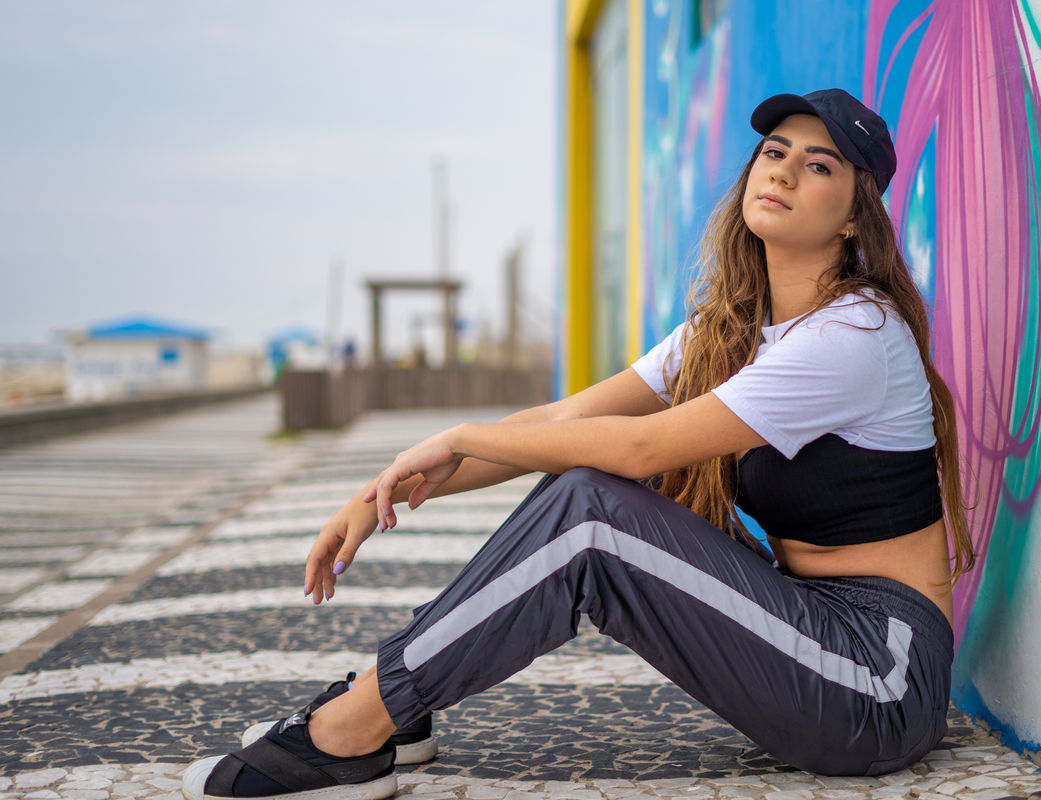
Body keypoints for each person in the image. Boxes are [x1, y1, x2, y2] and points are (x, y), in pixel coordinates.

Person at [182, 88, 973, 800]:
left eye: (819, 165)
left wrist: (457, 434)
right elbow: (562, 424)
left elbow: (638, 449)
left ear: (854, 215)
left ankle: (356, 727)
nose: (785, 172)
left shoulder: (852, 335)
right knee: (583, 478)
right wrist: (378, 489)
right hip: (810, 624)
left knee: (595, 510)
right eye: (774, 152)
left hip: (877, 679)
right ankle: (400, 702)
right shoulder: (733, 330)